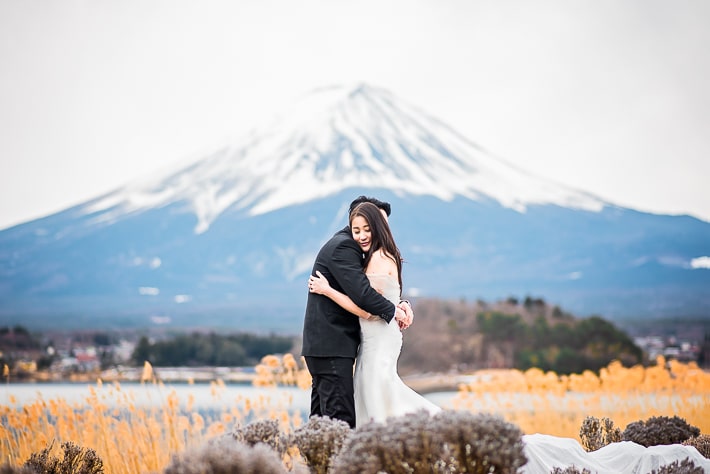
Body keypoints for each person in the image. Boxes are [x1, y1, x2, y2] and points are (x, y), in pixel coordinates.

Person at [308, 201, 441, 426]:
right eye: (357, 230)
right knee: (367, 402)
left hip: (376, 340)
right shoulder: (361, 251)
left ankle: (421, 432)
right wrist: (398, 307)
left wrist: (328, 290)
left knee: (375, 399)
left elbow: (367, 306)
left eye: (367, 228)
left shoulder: (377, 257)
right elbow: (375, 297)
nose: (361, 235)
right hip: (360, 342)